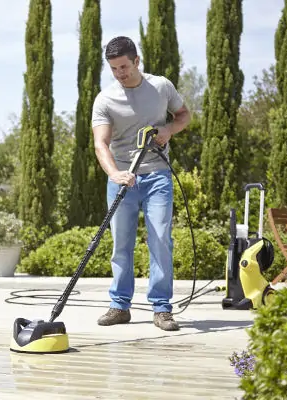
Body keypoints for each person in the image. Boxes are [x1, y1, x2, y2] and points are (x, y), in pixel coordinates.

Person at [91, 36, 191, 331]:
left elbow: (184, 115)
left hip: (157, 175)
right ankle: (120, 306)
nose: (119, 73)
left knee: (160, 239)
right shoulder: (105, 99)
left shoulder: (161, 87)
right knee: (121, 244)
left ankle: (161, 308)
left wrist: (169, 129)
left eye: (124, 66)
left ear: (137, 61)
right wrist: (114, 173)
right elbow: (100, 144)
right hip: (123, 179)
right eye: (113, 68)